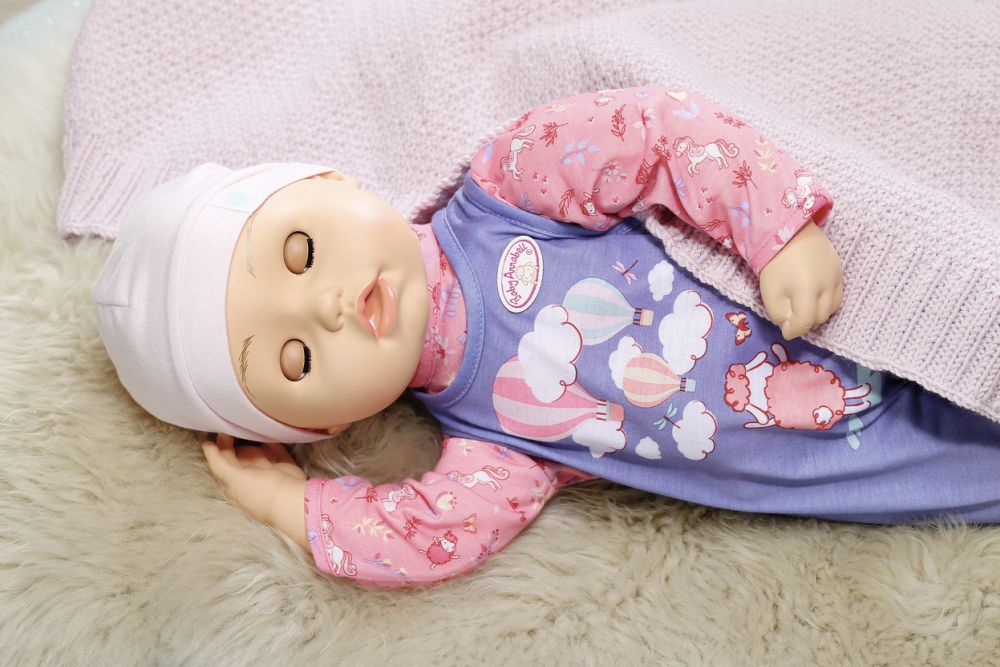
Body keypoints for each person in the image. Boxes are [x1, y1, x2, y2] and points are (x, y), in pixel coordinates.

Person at [93, 85, 1000, 588]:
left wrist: (776, 225)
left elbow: (658, 134)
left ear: (332, 180)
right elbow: (428, 535)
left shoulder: (508, 187)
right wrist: (292, 509)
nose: (325, 304)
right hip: (878, 453)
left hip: (852, 292)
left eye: (300, 251)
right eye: (295, 358)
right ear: (322, 429)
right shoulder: (493, 442)